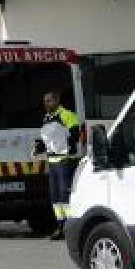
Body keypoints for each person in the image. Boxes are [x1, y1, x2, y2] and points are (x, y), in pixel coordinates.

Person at [35, 91, 80, 241]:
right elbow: (46, 140)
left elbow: (75, 135)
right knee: (55, 197)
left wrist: (64, 143)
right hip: (52, 163)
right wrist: (38, 147)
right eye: (45, 101)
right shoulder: (46, 118)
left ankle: (69, 227)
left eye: (49, 100)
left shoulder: (67, 115)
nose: (46, 103)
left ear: (57, 100)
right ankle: (60, 226)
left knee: (64, 195)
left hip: (65, 161)